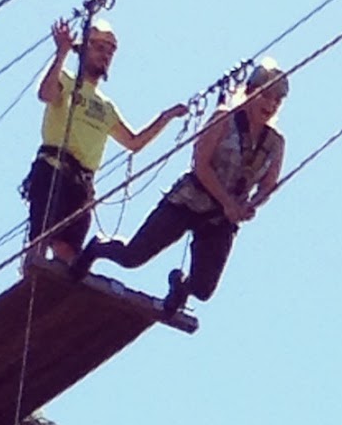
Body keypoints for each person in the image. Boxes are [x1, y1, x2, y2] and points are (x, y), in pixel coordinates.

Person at [73, 60, 288, 315]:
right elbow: (201, 165)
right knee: (133, 256)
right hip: (188, 201)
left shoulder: (275, 143)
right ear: (251, 91)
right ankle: (97, 247)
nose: (271, 104)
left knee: (204, 289)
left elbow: (268, 185)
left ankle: (181, 288)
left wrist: (251, 205)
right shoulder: (224, 119)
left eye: (277, 100)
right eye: (266, 95)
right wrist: (229, 203)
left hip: (220, 219)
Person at [24, 17, 187, 265]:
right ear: (84, 49)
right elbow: (46, 94)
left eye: (110, 51)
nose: (105, 56)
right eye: (99, 48)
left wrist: (166, 117)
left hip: (81, 184)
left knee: (69, 253)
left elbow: (134, 142)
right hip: (54, 169)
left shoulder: (106, 107)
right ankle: (31, 278)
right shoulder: (66, 80)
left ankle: (57, 284)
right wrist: (62, 53)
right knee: (41, 240)